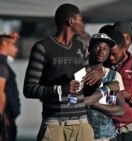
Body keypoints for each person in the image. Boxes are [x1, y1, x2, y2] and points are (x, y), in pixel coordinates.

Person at [23, 3, 119, 141]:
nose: (83, 24)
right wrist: (61, 89)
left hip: (81, 123)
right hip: (54, 124)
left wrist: (97, 77)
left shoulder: (80, 47)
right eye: (81, 20)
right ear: (70, 21)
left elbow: (87, 89)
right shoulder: (42, 47)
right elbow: (29, 89)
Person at [84, 32, 125, 141]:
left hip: (107, 135)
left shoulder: (114, 76)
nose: (101, 51)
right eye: (97, 47)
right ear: (89, 49)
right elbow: (73, 102)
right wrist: (107, 88)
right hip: (84, 134)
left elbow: (120, 110)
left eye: (105, 48)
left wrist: (92, 103)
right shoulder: (80, 74)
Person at [0, 32, 20, 141]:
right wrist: (1, 119)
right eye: (13, 45)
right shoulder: (1, 65)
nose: (16, 49)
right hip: (4, 120)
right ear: (4, 43)